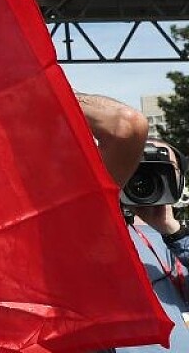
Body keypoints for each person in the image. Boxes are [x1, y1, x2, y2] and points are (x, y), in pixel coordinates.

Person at [78, 93, 189, 352]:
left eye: (161, 169)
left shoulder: (174, 242)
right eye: (137, 168)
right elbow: (121, 125)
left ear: (179, 179)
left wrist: (172, 231)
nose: (144, 180)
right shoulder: (96, 228)